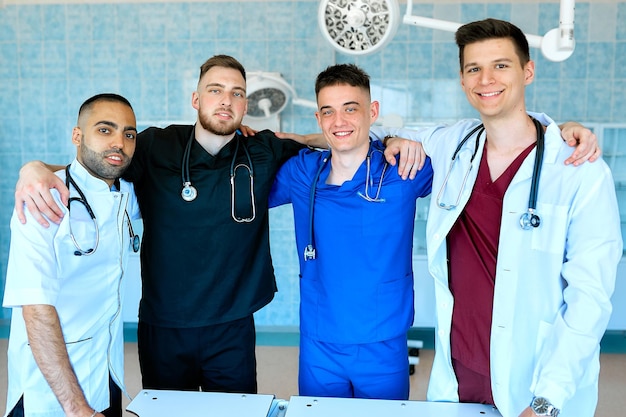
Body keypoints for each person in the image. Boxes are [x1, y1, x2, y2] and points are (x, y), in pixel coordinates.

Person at [378, 18, 621, 417]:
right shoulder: (454, 143)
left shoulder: (578, 167)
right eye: (474, 68)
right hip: (459, 376)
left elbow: (590, 299)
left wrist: (547, 401)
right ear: (462, 79)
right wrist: (391, 139)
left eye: (501, 65)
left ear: (528, 71)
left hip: (536, 383)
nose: (486, 79)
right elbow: (360, 133)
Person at [268, 64, 433, 400]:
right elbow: (240, 177)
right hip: (319, 342)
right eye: (328, 111)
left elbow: (481, 145)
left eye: (350, 109)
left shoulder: (405, 170)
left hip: (382, 343)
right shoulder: (301, 172)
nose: (338, 121)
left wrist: (559, 131)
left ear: (373, 112)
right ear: (318, 119)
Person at [3, 93, 140, 417]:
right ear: (77, 136)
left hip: (106, 371)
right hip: (50, 384)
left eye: (128, 134)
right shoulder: (43, 199)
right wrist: (77, 408)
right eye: (104, 130)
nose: (118, 143)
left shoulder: (127, 194)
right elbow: (35, 308)